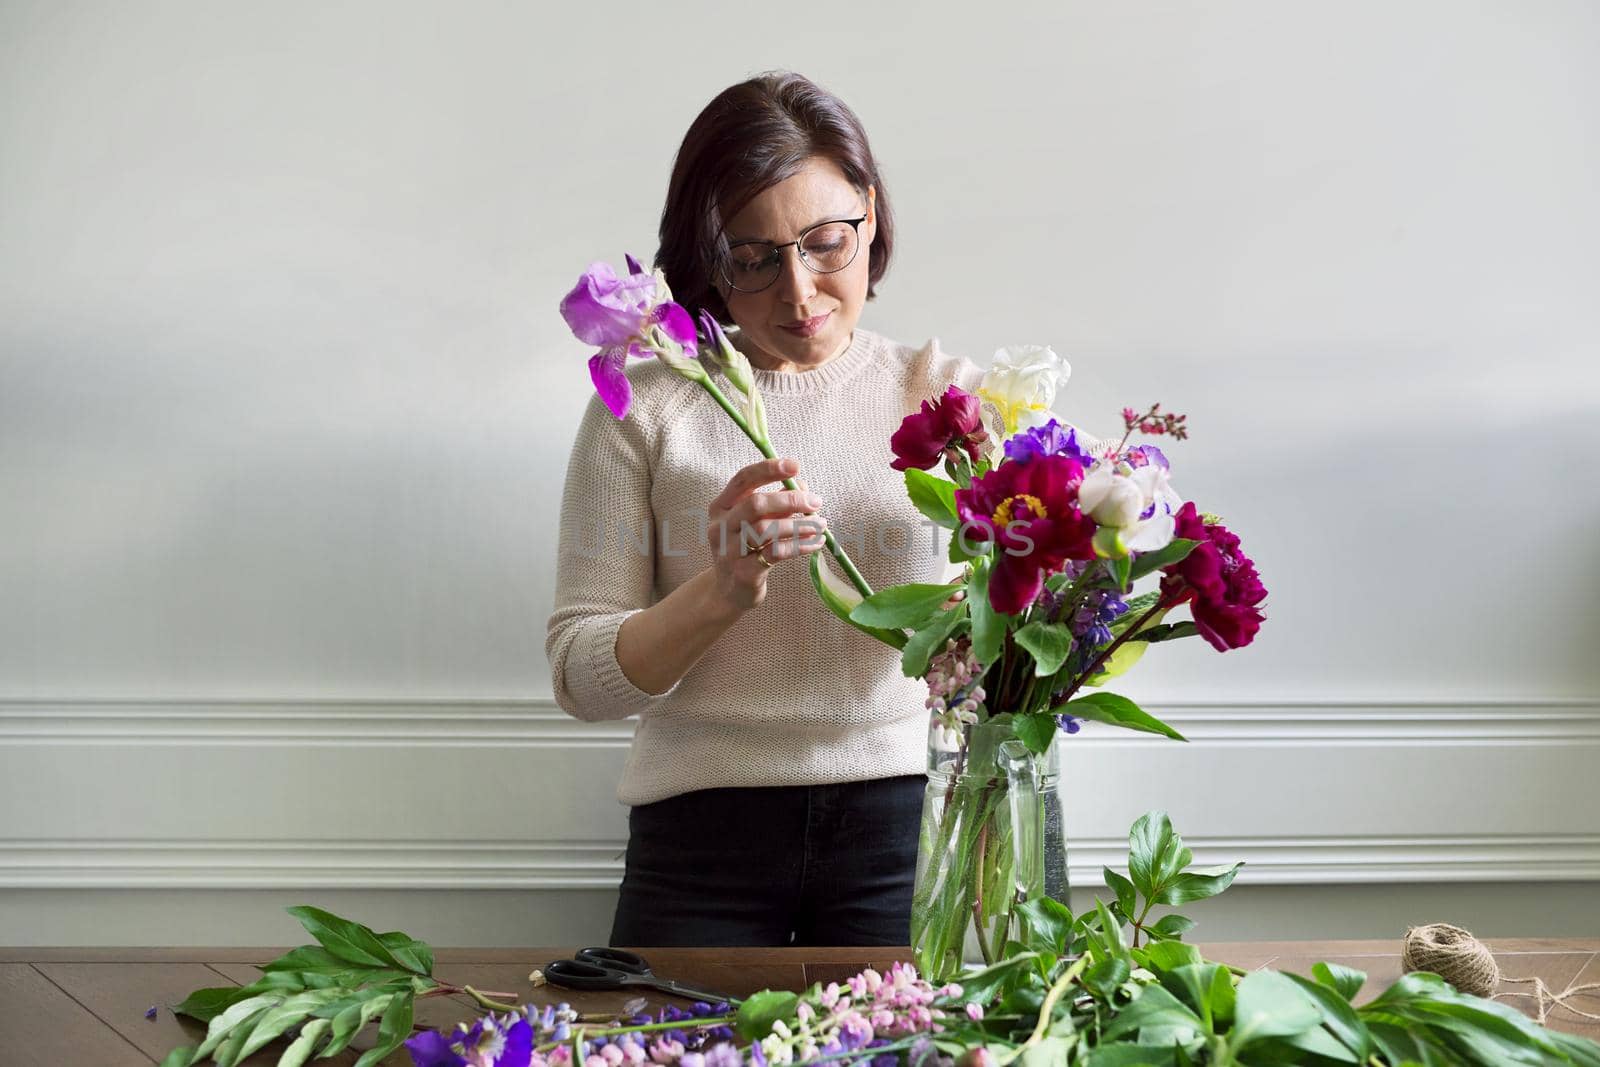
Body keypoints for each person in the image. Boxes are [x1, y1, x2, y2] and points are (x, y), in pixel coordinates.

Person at [546, 71, 987, 948]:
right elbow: (578, 676)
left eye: (827, 242)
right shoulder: (645, 406)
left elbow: (1004, 659)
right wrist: (723, 586)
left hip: (900, 830)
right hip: (697, 841)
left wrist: (979, 632)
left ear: (868, 211)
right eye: (752, 258)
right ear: (703, 261)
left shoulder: (943, 395)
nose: (799, 292)